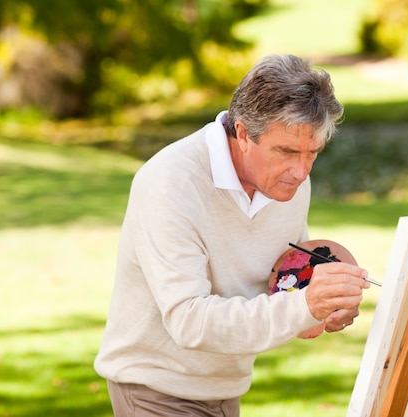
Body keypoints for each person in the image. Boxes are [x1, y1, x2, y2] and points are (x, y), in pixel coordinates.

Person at [94, 54, 371, 417]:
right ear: (242, 133)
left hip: (227, 390)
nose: (302, 171)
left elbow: (283, 283)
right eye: (286, 151)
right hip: (156, 390)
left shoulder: (288, 182)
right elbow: (188, 321)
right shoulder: (171, 183)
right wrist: (304, 306)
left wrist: (324, 309)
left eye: (313, 153)